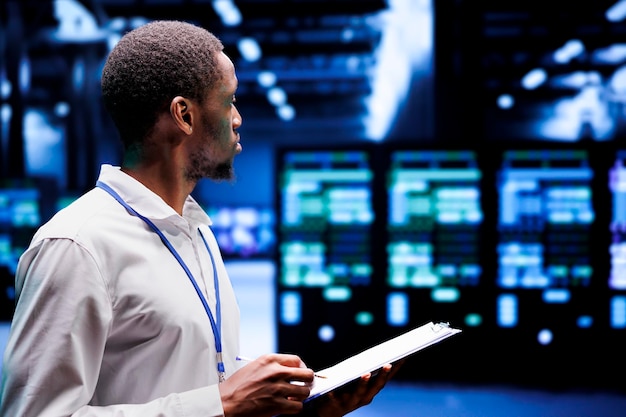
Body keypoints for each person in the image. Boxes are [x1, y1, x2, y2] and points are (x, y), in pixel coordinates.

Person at [0, 20, 400, 416]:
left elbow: (190, 382)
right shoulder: (77, 246)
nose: (239, 119)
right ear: (184, 115)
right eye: (229, 101)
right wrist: (221, 404)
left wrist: (295, 406)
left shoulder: (195, 232)